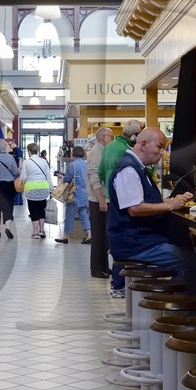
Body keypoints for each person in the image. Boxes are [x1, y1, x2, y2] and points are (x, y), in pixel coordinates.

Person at [107, 127, 196, 298]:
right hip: (134, 243)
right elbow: (135, 208)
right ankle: (185, 317)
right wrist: (169, 206)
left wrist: (172, 201)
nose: (162, 153)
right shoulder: (128, 170)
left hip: (140, 239)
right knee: (190, 263)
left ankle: (176, 309)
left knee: (189, 254)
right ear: (143, 144)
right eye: (159, 147)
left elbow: (146, 201)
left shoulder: (139, 168)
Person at [98, 119, 144, 292]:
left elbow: (101, 171)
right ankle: (121, 285)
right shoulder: (128, 150)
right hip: (125, 199)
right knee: (126, 239)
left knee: (116, 239)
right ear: (134, 136)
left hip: (110, 197)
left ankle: (117, 283)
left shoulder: (109, 147)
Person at [84, 127, 113, 277]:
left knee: (103, 235)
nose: (112, 139)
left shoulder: (103, 150)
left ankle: (104, 266)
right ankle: (96, 269)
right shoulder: (97, 151)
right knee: (98, 235)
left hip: (100, 198)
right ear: (104, 137)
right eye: (111, 137)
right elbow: (94, 175)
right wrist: (101, 199)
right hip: (97, 200)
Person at [56, 145, 90, 244]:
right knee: (83, 214)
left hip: (74, 194)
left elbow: (67, 179)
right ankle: (89, 234)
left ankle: (65, 236)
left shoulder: (72, 165)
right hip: (84, 193)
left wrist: (61, 176)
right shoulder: (86, 164)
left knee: (69, 215)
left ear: (73, 154)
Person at [20, 143, 52, 239]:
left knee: (33, 210)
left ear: (29, 152)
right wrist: (51, 189)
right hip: (43, 188)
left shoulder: (26, 162)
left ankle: (36, 233)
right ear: (37, 151)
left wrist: (21, 185)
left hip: (31, 189)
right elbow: (48, 176)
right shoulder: (43, 161)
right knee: (42, 209)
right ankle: (42, 231)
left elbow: (23, 177)